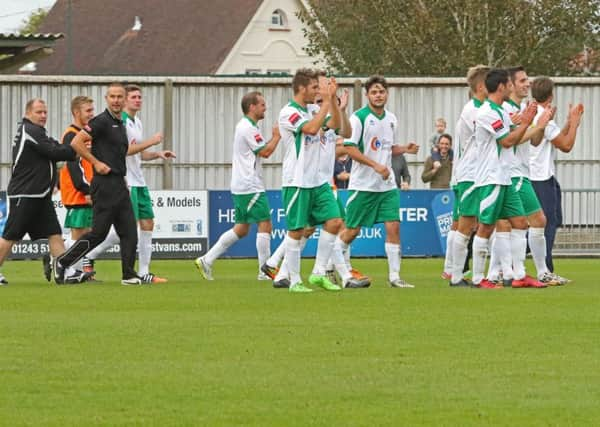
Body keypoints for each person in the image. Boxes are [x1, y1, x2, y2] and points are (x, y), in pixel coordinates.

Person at [52, 83, 163, 285]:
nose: (116, 100)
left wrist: (124, 180)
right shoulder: (100, 121)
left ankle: (128, 275)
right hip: (103, 185)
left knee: (129, 231)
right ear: (107, 98)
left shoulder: (121, 124)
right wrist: (96, 163)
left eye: (119, 96)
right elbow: (76, 142)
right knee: (98, 234)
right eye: (112, 96)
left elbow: (121, 154)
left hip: (119, 184)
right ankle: (63, 261)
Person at [82, 84, 174, 283]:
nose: (137, 100)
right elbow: (124, 152)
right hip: (126, 181)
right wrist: (151, 141)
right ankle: (88, 256)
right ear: (124, 100)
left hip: (139, 180)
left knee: (147, 223)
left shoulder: (136, 122)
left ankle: (144, 272)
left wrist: (157, 154)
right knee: (125, 230)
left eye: (139, 97)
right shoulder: (118, 121)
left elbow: (139, 152)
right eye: (133, 97)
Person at [338, 75, 420, 288]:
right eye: (374, 92)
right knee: (352, 231)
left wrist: (404, 149)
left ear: (387, 93)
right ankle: (331, 264)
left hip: (387, 184)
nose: (378, 95)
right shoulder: (359, 118)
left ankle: (395, 277)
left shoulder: (392, 119)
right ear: (367, 95)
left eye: (381, 91)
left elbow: (386, 148)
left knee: (393, 226)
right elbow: (349, 148)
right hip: (363, 185)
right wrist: (375, 166)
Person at [486, 67, 562, 287]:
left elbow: (534, 141)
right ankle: (520, 272)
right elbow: (513, 140)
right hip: (513, 173)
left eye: (527, 80)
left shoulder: (518, 107)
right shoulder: (508, 110)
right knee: (524, 222)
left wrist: (542, 124)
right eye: (522, 80)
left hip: (519, 172)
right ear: (509, 85)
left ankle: (506, 272)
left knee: (513, 224)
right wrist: (535, 124)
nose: (527, 84)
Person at [0, 98, 88, 285]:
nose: (43, 116)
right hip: (25, 194)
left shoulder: (38, 132)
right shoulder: (30, 131)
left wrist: (74, 148)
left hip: (39, 194)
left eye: (45, 112)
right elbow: (54, 152)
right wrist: (79, 148)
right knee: (10, 236)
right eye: (39, 112)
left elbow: (55, 148)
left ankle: (65, 271)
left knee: (54, 233)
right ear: (28, 113)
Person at [468, 69, 542, 289]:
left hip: (505, 178)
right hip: (491, 178)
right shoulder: (486, 113)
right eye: (509, 83)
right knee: (486, 227)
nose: (512, 87)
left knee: (520, 222)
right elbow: (507, 141)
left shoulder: (500, 111)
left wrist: (524, 123)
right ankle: (478, 278)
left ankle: (519, 275)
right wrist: (526, 123)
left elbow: (512, 136)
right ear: (501, 86)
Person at [195, 91, 280, 280]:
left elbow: (259, 150)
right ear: (252, 107)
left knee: (241, 229)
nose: (265, 108)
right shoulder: (247, 127)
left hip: (242, 184)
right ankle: (264, 271)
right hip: (250, 184)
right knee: (265, 223)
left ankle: (207, 260)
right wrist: (277, 136)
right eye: (262, 104)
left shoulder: (247, 126)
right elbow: (265, 152)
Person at [529, 76, 584, 279]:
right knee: (547, 223)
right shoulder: (543, 117)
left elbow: (554, 139)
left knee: (551, 220)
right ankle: (546, 269)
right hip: (540, 177)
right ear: (551, 95)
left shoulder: (533, 113)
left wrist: (568, 122)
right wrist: (576, 124)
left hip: (541, 175)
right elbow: (566, 145)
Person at [58, 95, 99, 281]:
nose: (92, 114)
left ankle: (59, 260)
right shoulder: (71, 134)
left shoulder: (85, 132)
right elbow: (75, 166)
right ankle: (68, 270)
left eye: (92, 110)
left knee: (86, 233)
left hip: (88, 189)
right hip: (78, 192)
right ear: (76, 112)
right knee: (79, 233)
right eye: (88, 110)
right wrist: (85, 189)